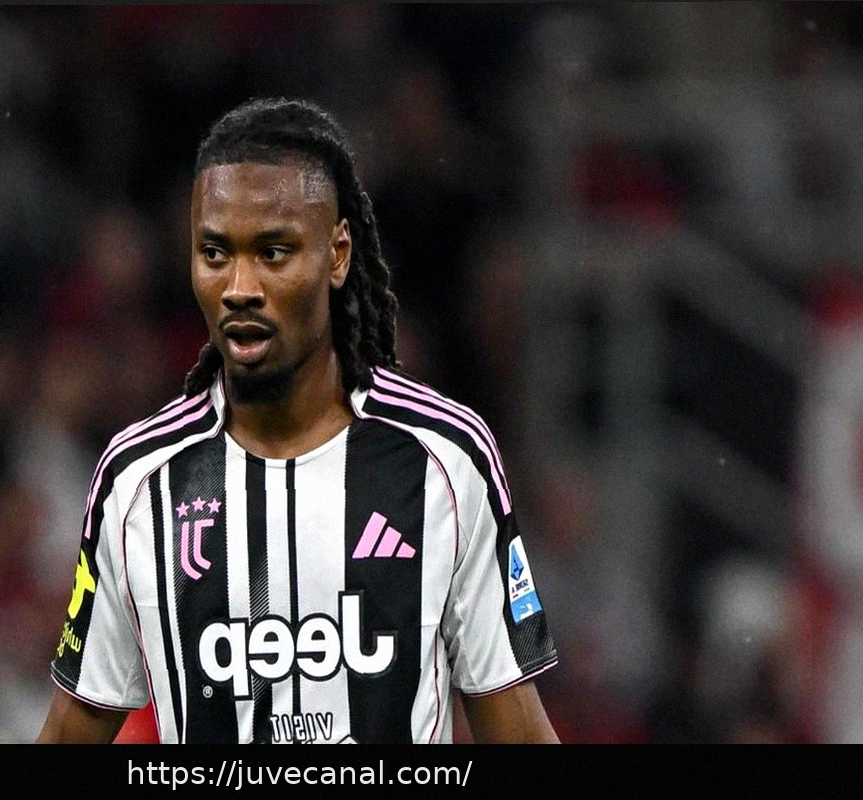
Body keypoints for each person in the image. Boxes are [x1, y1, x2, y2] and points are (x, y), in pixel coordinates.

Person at [36, 98, 559, 744]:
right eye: (215, 253)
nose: (240, 287)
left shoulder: (446, 461)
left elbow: (518, 730)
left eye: (273, 252)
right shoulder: (139, 482)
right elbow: (73, 729)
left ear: (337, 254)